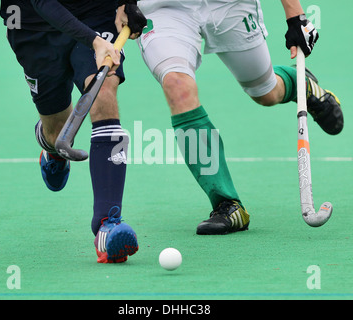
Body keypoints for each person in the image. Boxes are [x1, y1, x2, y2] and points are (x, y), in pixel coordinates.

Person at [136, 0, 344, 235]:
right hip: (165, 8)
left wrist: (295, 15)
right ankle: (227, 204)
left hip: (230, 5)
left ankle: (297, 83)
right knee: (177, 85)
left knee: (265, 92)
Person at [0, 0, 147, 263]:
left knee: (103, 92)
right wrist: (94, 42)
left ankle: (107, 224)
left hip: (96, 13)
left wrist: (129, 3)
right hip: (34, 24)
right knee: (56, 131)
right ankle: (50, 147)